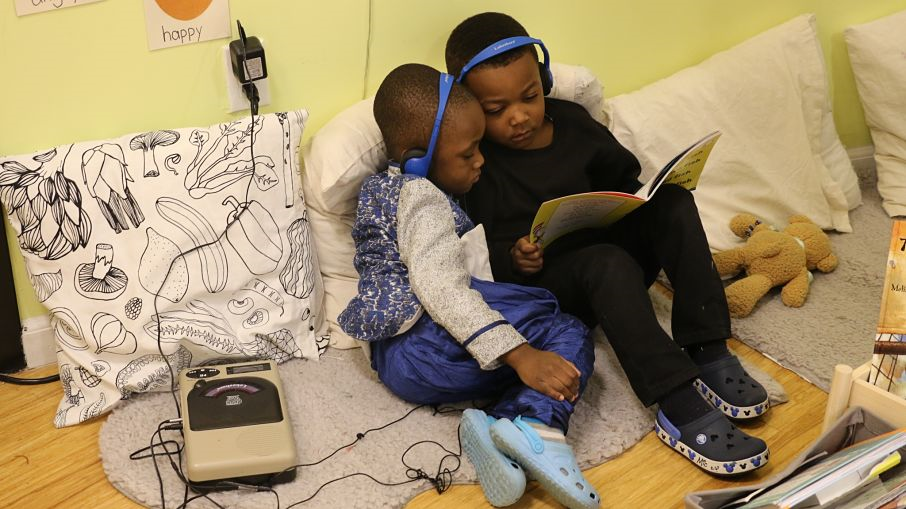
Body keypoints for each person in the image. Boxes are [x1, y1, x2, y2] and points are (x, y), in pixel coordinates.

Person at [445, 12, 771, 476]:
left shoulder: (575, 123)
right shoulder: (481, 165)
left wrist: (644, 199)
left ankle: (708, 346)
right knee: (605, 260)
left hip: (616, 263)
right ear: (472, 109)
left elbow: (628, 183)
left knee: (674, 203)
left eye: (531, 96)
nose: (518, 117)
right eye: (496, 110)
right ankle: (677, 401)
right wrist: (519, 257)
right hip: (556, 291)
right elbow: (485, 260)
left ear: (544, 80)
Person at [338, 63, 601, 508]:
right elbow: (442, 288)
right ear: (420, 156)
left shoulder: (381, 191)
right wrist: (521, 354)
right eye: (469, 152)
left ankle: (497, 440)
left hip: (398, 363)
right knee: (564, 329)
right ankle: (538, 427)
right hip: (427, 343)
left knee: (519, 347)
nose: (481, 160)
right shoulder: (422, 198)